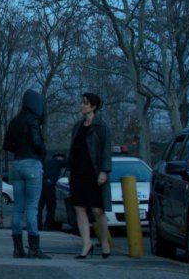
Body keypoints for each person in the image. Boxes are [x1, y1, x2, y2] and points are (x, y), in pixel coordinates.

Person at [2, 89, 49, 259]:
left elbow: (6, 145)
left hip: (17, 164)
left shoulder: (15, 121)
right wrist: (43, 150)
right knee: (32, 207)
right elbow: (37, 143)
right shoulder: (33, 121)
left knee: (17, 208)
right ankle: (34, 248)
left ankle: (17, 248)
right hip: (32, 164)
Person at [67, 92, 113, 259]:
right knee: (79, 208)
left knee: (97, 210)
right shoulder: (77, 126)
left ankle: (105, 242)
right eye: (82, 102)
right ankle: (86, 244)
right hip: (78, 172)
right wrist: (69, 170)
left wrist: (104, 171)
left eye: (86, 103)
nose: (82, 105)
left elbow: (106, 150)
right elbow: (73, 150)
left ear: (93, 106)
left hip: (93, 173)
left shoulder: (101, 127)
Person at [38, 153, 66, 231]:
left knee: (40, 207)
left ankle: (38, 225)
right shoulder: (60, 162)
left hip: (41, 183)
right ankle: (48, 226)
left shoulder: (47, 162)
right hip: (50, 185)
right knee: (51, 207)